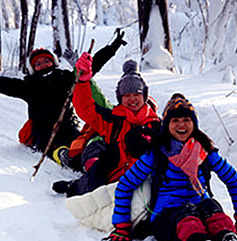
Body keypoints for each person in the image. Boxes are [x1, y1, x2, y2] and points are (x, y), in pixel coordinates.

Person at [104, 93, 237, 241]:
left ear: (194, 124)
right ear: (167, 125)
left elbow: (233, 180)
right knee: (187, 212)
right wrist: (122, 227)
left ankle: (227, 240)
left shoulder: (205, 152)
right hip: (166, 219)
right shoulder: (156, 154)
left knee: (211, 205)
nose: (181, 125)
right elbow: (125, 185)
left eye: (186, 119)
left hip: (201, 211)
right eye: (175, 120)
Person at [0, 29, 127, 158]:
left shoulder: (65, 78)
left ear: (54, 62)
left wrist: (112, 48)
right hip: (43, 131)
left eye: (46, 60)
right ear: (33, 68)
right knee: (49, 146)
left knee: (78, 141)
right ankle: (63, 158)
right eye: (37, 64)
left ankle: (91, 158)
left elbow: (92, 66)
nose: (43, 64)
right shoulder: (29, 85)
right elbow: (2, 83)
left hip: (67, 124)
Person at [52, 53, 160, 197]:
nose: (132, 99)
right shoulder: (112, 119)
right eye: (126, 95)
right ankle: (74, 185)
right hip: (113, 177)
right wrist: (83, 81)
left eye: (136, 94)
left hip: (143, 178)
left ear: (144, 96)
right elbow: (86, 109)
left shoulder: (156, 124)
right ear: (120, 98)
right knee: (97, 173)